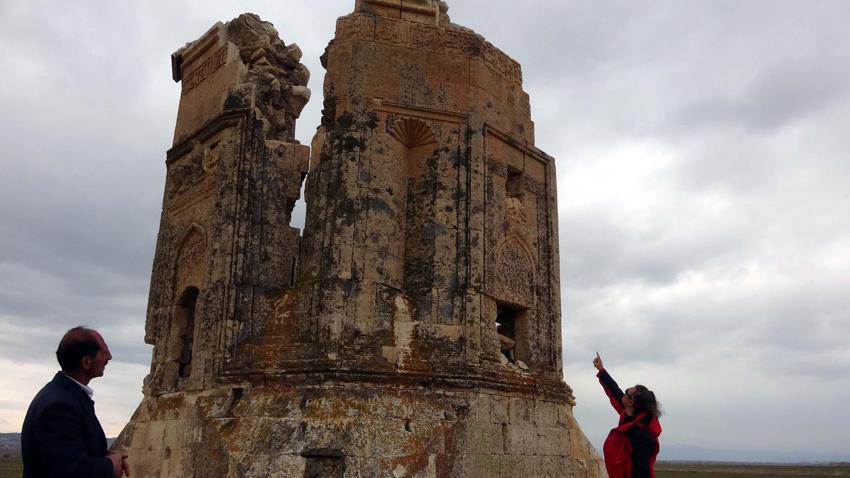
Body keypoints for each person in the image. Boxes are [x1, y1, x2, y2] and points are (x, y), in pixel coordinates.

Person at [22, 326, 130, 478]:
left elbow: (64, 453)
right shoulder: (59, 406)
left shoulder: (66, 395)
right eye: (104, 352)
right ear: (86, 362)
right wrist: (110, 465)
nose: (109, 357)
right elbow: (69, 470)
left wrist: (105, 457)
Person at [593, 352, 662, 478]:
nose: (623, 393)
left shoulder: (642, 434)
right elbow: (614, 391)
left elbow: (641, 470)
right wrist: (601, 370)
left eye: (626, 392)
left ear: (631, 402)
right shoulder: (627, 413)